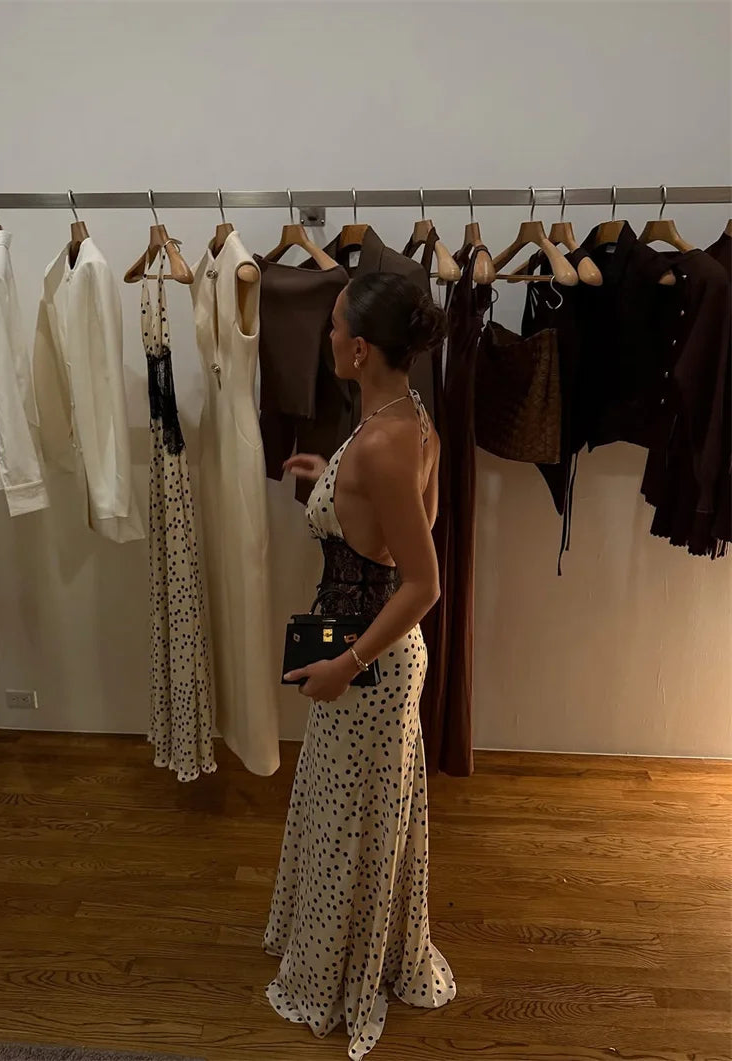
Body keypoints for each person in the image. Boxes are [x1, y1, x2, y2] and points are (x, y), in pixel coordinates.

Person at [263, 272, 456, 1060]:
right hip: (375, 653)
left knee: (352, 826)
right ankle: (356, 946)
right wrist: (332, 481)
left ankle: (341, 969)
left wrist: (346, 663)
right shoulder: (409, 418)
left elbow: (423, 582)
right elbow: (392, 524)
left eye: (336, 325)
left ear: (362, 349)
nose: (329, 334)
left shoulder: (381, 444)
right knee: (358, 819)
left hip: (370, 665)